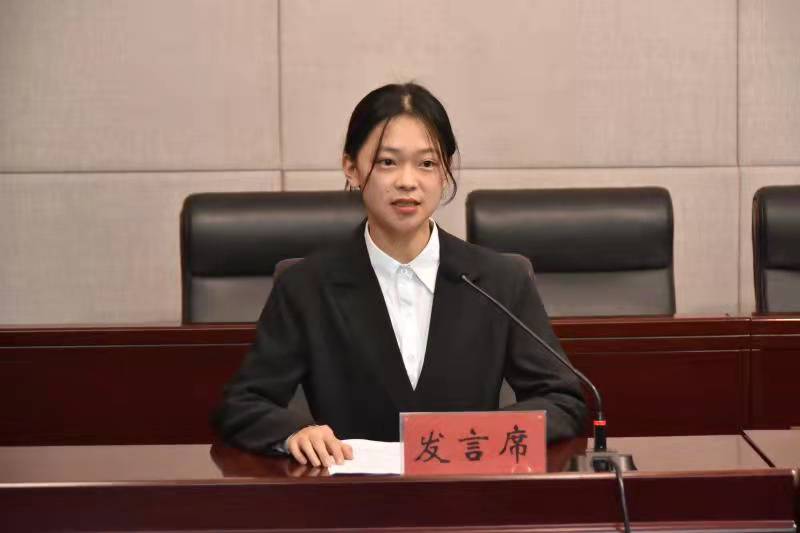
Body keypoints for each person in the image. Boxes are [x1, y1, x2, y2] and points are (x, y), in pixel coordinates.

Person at [213, 83, 587, 467]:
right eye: (388, 162)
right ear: (351, 168)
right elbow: (242, 404)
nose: (408, 181)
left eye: (427, 164)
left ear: (445, 172)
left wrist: (486, 435)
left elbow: (563, 400)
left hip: (468, 493)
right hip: (351, 496)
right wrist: (294, 432)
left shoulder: (498, 280)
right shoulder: (307, 286)